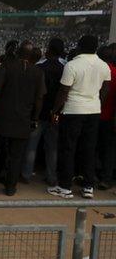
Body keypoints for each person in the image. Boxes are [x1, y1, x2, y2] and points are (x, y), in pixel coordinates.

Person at [0, 45, 46, 196]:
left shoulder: (7, 67)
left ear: (17, 53)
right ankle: (10, 187)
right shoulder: (37, 72)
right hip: (23, 119)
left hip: (2, 116)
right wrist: (35, 117)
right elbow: (39, 98)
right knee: (16, 156)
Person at [49, 35, 111, 199]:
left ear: (79, 47)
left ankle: (65, 187)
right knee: (89, 149)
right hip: (93, 111)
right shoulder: (104, 66)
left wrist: (55, 110)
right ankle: (88, 186)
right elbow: (105, 89)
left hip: (73, 111)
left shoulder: (72, 65)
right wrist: (97, 103)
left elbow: (63, 91)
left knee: (68, 149)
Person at [21, 38, 65, 186]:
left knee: (32, 145)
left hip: (39, 112)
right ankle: (51, 177)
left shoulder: (40, 68)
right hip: (56, 112)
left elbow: (37, 93)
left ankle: (26, 174)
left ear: (49, 50)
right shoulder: (64, 69)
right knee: (52, 147)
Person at [97, 43, 116, 190]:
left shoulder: (96, 70)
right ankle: (105, 178)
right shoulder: (114, 71)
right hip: (108, 118)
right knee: (108, 150)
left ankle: (88, 176)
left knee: (91, 147)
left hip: (93, 115)